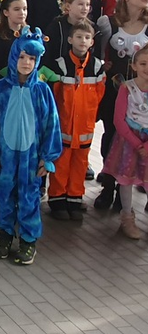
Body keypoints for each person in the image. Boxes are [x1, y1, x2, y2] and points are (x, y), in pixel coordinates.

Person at [0, 27, 62, 265]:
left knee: (29, 196)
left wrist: (47, 157)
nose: (26, 63)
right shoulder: (0, 88)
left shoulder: (42, 91)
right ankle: (5, 235)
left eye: (32, 59)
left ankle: (28, 241)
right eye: (23, 57)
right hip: (6, 156)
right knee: (4, 195)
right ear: (14, 56)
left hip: (31, 156)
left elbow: (51, 125)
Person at [95, 0, 148, 209]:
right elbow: (96, 53)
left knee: (140, 138)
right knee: (112, 135)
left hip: (143, 92)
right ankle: (109, 185)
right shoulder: (108, 23)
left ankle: (134, 186)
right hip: (114, 90)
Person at [44, 19, 105, 221]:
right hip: (63, 125)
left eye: (87, 37)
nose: (82, 41)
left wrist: (91, 115)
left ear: (92, 42)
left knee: (80, 163)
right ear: (70, 39)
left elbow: (99, 93)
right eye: (78, 36)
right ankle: (57, 199)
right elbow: (54, 94)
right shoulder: (60, 66)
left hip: (85, 127)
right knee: (61, 163)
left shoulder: (97, 67)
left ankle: (75, 198)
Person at [102, 43, 148, 239]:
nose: (147, 68)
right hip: (128, 140)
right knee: (126, 179)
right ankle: (127, 217)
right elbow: (118, 120)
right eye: (144, 63)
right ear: (134, 66)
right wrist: (136, 143)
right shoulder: (126, 88)